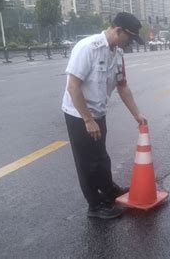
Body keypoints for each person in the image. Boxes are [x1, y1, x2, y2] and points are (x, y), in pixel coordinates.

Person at [62, 12, 147, 219]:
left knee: (101, 156)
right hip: (79, 114)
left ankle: (109, 190)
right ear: (119, 30)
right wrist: (88, 120)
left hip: (98, 112)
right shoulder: (87, 48)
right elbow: (73, 87)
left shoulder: (117, 54)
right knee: (87, 162)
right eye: (130, 38)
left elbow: (122, 86)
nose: (130, 44)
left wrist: (137, 114)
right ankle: (94, 205)